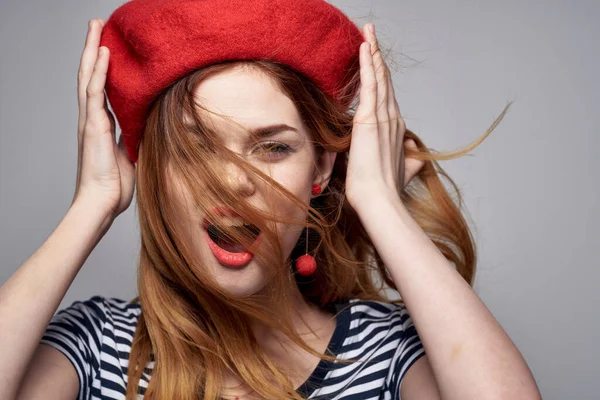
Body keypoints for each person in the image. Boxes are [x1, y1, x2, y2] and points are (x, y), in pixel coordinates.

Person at [1, 0, 542, 399]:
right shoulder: (95, 348)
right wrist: (91, 204)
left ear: (320, 168)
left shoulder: (387, 354)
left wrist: (379, 203)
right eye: (196, 148)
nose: (234, 183)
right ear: (153, 169)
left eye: (274, 147)